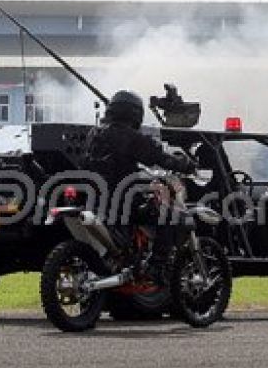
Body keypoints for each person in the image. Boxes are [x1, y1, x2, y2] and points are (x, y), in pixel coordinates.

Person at [82, 90, 195, 282]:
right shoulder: (130, 137)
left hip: (95, 200)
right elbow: (158, 157)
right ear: (135, 113)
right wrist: (184, 164)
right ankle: (157, 266)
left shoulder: (94, 134)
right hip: (123, 202)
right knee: (169, 214)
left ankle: (133, 256)